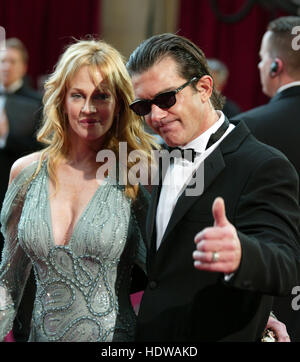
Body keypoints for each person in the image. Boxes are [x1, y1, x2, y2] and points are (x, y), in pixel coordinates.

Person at [126, 32, 300, 342]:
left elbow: (284, 264)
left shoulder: (261, 164)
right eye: (143, 106)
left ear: (204, 88)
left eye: (166, 99)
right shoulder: (160, 158)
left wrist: (242, 255)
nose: (155, 116)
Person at [0, 38, 155, 342]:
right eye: (77, 95)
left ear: (120, 102)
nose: (88, 109)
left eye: (101, 96)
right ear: (61, 99)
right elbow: (8, 280)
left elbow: (176, 266)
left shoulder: (138, 173)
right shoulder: (26, 172)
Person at [231, 16, 300, 341]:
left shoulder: (246, 130)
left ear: (275, 66)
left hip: (270, 299)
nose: (259, 66)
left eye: (261, 59)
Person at [0, 37, 43, 341]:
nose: (5, 67)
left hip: (16, 196)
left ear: (23, 66)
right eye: (1, 61)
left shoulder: (35, 103)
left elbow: (42, 151)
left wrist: (6, 137)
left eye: (11, 61)